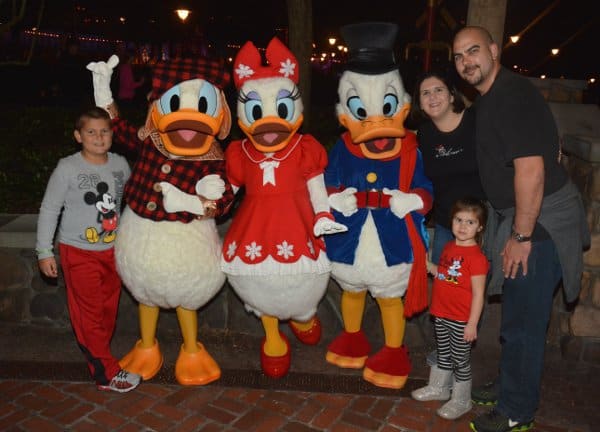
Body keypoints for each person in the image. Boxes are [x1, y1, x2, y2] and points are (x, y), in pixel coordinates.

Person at [452, 26, 589, 432]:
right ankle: (512, 385)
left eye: (474, 51)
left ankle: (516, 411)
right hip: (525, 216)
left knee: (525, 323)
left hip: (539, 224)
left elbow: (531, 171)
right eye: (459, 56)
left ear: (494, 50)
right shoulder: (494, 97)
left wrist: (522, 236)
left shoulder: (513, 95)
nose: (466, 62)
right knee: (516, 317)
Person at [36, 107, 140, 393]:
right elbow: (49, 209)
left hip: (112, 252)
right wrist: (44, 251)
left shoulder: (120, 164)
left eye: (104, 131)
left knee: (108, 311)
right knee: (90, 313)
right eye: (91, 132)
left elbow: (130, 205)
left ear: (112, 134)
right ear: (78, 136)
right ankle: (107, 373)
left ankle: (97, 358)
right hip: (78, 252)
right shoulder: (67, 168)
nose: (98, 137)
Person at [412, 197, 488, 420]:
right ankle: (439, 388)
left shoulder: (477, 258)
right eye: (459, 220)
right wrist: (429, 266)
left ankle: (462, 400)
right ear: (452, 221)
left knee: (460, 360)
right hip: (441, 313)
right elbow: (446, 275)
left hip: (461, 319)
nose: (463, 226)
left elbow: (478, 294)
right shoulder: (449, 246)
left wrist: (472, 323)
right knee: (443, 353)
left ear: (480, 227)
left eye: (470, 222)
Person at [410, 70, 485, 265]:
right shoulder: (424, 134)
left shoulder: (476, 122)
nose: (432, 97)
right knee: (444, 285)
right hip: (446, 223)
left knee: (474, 287)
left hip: (480, 225)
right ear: (420, 102)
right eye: (425, 93)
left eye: (438, 90)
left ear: (452, 95)